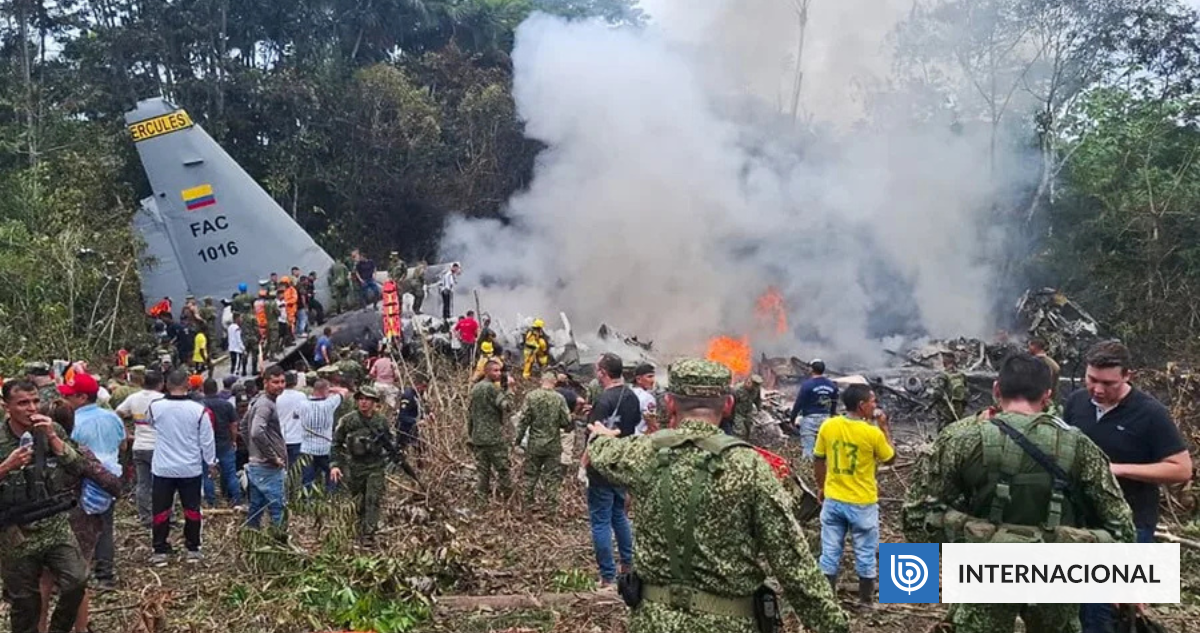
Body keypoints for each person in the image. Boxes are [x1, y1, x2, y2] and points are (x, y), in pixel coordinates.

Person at [585, 358, 850, 633]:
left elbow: (603, 453)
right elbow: (795, 568)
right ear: (728, 405)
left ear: (671, 404)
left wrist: (602, 437)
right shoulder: (751, 467)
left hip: (653, 622)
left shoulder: (643, 453)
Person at [903, 353, 1136, 633]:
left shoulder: (958, 439)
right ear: (1048, 396)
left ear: (997, 389)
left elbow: (915, 516)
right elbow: (1121, 524)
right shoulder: (1080, 446)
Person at [1061, 341, 1191, 633]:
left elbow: (1181, 468)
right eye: (1092, 379)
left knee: (1101, 608)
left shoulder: (1150, 413)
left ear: (1127, 376)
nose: (1097, 389)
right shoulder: (1076, 403)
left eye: (1108, 383)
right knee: (1076, 605)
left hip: (1130, 524)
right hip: (1080, 522)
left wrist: (1116, 470)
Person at [0, 380, 93, 633]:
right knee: (24, 602)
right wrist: (6, 466)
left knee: (77, 580)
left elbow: (80, 467)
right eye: (22, 403)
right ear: (6, 406)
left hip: (53, 522)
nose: (31, 408)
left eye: (35, 401)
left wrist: (53, 438)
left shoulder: (52, 430)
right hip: (15, 530)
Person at [37, 400, 123, 633]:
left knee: (44, 580)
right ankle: (81, 628)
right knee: (79, 579)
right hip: (80, 522)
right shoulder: (78, 451)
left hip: (41, 523)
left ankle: (41, 628)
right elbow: (111, 483)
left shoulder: (32, 453)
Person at [813, 384, 895, 607]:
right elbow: (890, 459)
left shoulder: (828, 426)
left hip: (834, 501)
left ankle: (827, 601)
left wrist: (821, 487)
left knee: (829, 552)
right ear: (861, 406)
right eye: (873, 401)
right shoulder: (872, 433)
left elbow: (818, 459)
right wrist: (884, 427)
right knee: (866, 554)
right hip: (862, 503)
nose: (875, 405)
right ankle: (866, 603)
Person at [58, 373, 125, 595]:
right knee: (105, 527)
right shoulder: (113, 417)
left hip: (82, 480)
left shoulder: (73, 422)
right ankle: (105, 575)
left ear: (82, 397)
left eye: (69, 396)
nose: (65, 399)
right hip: (108, 480)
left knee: (78, 529)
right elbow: (123, 445)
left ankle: (80, 574)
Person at [146, 371, 217, 565]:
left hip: (163, 468)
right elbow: (207, 440)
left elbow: (151, 424)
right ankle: (193, 548)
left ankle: (159, 549)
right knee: (192, 509)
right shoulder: (198, 410)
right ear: (188, 384)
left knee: (161, 510)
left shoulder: (155, 407)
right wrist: (211, 462)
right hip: (190, 468)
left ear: (166, 385)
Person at [583, 353, 640, 587]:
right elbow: (634, 425)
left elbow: (593, 436)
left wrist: (583, 463)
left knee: (600, 521)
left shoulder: (604, 400)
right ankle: (628, 564)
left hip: (601, 467)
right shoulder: (632, 397)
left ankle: (607, 576)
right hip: (622, 463)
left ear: (603, 373)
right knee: (619, 515)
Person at [331, 386, 398, 544]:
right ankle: (358, 529)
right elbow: (336, 443)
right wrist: (335, 464)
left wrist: (393, 459)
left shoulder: (380, 421)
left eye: (367, 399)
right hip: (355, 466)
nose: (364, 402)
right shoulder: (349, 420)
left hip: (376, 465)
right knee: (358, 500)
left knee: (372, 498)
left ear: (375, 402)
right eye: (361, 399)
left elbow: (390, 442)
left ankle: (369, 533)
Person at [515, 374, 573, 512]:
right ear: (554, 382)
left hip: (535, 444)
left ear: (541, 381)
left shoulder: (531, 396)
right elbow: (566, 421)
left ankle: (527, 504)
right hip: (553, 445)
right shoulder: (559, 398)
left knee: (530, 475)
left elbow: (523, 421)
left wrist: (517, 440)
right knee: (552, 477)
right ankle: (551, 507)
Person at [116, 371, 164, 528]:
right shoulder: (161, 400)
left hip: (139, 446)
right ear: (160, 384)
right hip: (158, 447)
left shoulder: (134, 398)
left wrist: (126, 432)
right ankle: (162, 516)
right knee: (162, 483)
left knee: (143, 484)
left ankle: (145, 517)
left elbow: (118, 413)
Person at [246, 366, 288, 531]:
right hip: (267, 466)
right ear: (266, 382)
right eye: (275, 382)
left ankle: (252, 536)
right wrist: (271, 456)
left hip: (258, 464)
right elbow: (256, 431)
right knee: (277, 506)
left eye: (283, 381)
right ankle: (281, 541)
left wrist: (253, 452)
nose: (280, 386)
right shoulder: (265, 405)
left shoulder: (260, 401)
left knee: (257, 505)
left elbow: (244, 426)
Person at [467, 359, 514, 500]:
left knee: (483, 471)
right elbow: (507, 406)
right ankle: (507, 498)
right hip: (493, 438)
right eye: (495, 370)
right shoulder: (492, 388)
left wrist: (470, 434)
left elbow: (470, 414)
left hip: (479, 437)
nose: (499, 373)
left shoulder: (475, 388)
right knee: (503, 469)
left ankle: (481, 499)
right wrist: (509, 389)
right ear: (487, 371)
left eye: (499, 370)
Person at [200, 379, 242, 508]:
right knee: (230, 473)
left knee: (208, 475)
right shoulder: (226, 405)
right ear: (216, 389)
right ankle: (236, 499)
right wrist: (234, 440)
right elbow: (233, 424)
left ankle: (211, 502)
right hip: (225, 443)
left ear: (203, 389)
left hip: (206, 445)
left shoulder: (200, 405)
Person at [301, 380, 345, 495]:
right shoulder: (329, 404)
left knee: (307, 479)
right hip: (325, 448)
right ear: (325, 390)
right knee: (332, 472)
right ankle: (330, 496)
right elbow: (344, 391)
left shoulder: (303, 404)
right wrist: (330, 389)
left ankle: (307, 500)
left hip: (307, 449)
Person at [790, 359, 838, 458]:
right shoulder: (832, 385)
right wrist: (832, 416)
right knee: (826, 450)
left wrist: (792, 418)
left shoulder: (807, 385)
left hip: (809, 420)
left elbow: (799, 403)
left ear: (811, 369)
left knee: (808, 449)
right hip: (826, 420)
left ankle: (807, 470)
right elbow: (834, 403)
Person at [931, 353, 969, 430]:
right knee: (957, 425)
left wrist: (932, 402)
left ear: (944, 363)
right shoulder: (961, 374)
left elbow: (938, 392)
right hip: (959, 406)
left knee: (944, 427)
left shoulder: (943, 375)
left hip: (947, 406)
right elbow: (966, 390)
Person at [396, 373, 428, 458]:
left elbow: (421, 407)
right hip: (406, 431)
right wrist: (416, 421)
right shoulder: (408, 396)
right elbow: (402, 416)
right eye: (423, 386)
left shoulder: (419, 395)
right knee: (402, 454)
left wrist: (428, 413)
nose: (424, 389)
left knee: (421, 450)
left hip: (415, 431)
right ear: (418, 385)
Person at [729, 374, 763, 441]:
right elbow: (732, 403)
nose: (752, 388)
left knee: (748, 430)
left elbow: (758, 400)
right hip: (738, 413)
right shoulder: (737, 389)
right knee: (739, 431)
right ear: (748, 381)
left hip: (748, 413)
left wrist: (759, 409)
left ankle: (745, 443)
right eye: (750, 384)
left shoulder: (756, 389)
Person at [629, 364, 659, 435]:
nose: (653, 380)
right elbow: (652, 425)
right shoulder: (647, 398)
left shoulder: (627, 393)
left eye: (653, 376)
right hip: (641, 437)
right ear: (639, 379)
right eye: (649, 376)